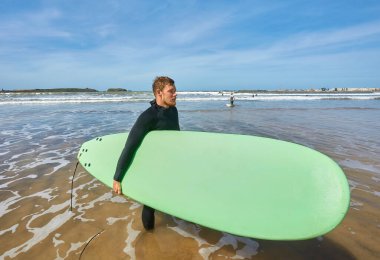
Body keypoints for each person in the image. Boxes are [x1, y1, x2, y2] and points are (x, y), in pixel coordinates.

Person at [113, 76, 180, 230]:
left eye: (175, 91)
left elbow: (177, 138)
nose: (175, 94)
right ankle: (149, 234)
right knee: (150, 203)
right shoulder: (148, 117)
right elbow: (130, 146)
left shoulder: (173, 111)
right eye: (171, 91)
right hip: (154, 166)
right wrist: (117, 178)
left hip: (170, 162)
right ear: (159, 93)